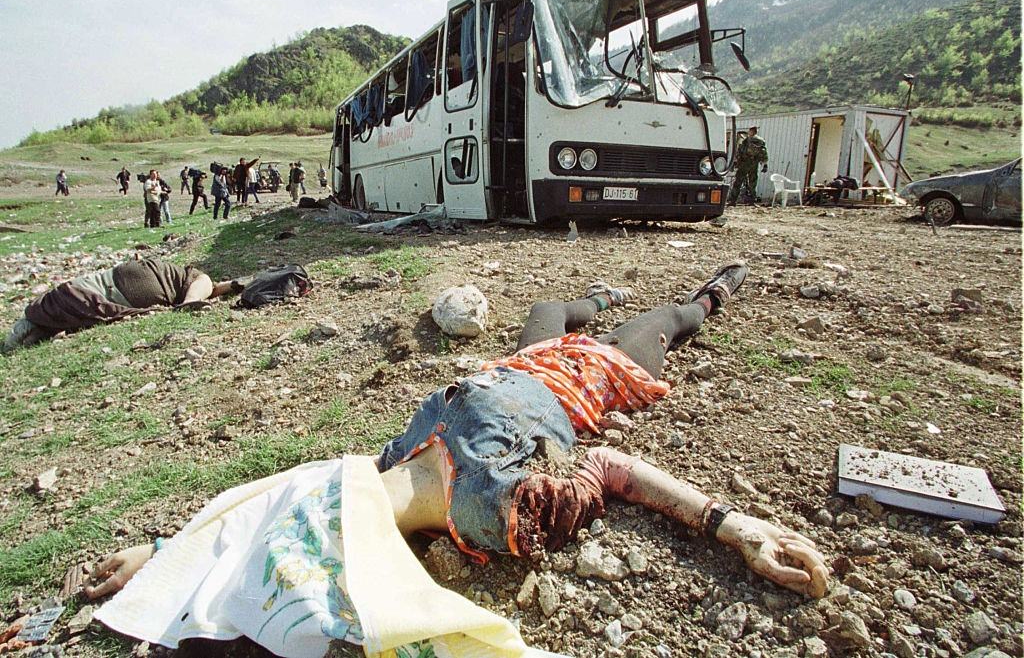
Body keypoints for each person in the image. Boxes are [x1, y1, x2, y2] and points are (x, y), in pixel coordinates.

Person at [67, 262, 829, 656]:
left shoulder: (382, 467)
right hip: (585, 378)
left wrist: (173, 553)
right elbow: (615, 468)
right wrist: (730, 523)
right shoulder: (498, 509)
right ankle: (712, 293)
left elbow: (270, 506)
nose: (321, 488)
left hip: (520, 361)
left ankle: (597, 295)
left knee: (554, 313)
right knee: (661, 322)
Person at [2, 259, 241, 353]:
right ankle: (22, 334)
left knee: (55, 314)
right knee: (52, 311)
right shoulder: (197, 278)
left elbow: (213, 287)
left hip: (102, 290)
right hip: (99, 288)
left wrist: (233, 285)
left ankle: (23, 335)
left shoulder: (195, 281)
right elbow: (211, 286)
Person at [729, 126, 769, 205]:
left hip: (744, 163)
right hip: (753, 164)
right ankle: (752, 201)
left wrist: (735, 162)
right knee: (752, 182)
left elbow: (739, 152)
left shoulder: (746, 140)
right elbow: (764, 153)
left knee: (738, 181)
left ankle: (733, 200)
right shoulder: (760, 141)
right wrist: (764, 164)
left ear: (751, 131)